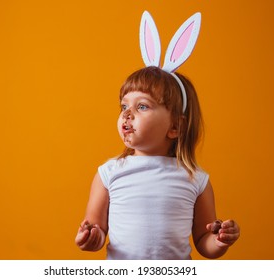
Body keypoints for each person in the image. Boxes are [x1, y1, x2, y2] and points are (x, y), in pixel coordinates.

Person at [75, 11, 240, 259]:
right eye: (123, 106)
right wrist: (91, 237)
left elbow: (203, 243)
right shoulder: (108, 174)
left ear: (175, 126)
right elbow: (95, 229)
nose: (127, 114)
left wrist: (219, 240)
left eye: (142, 106)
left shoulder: (196, 180)